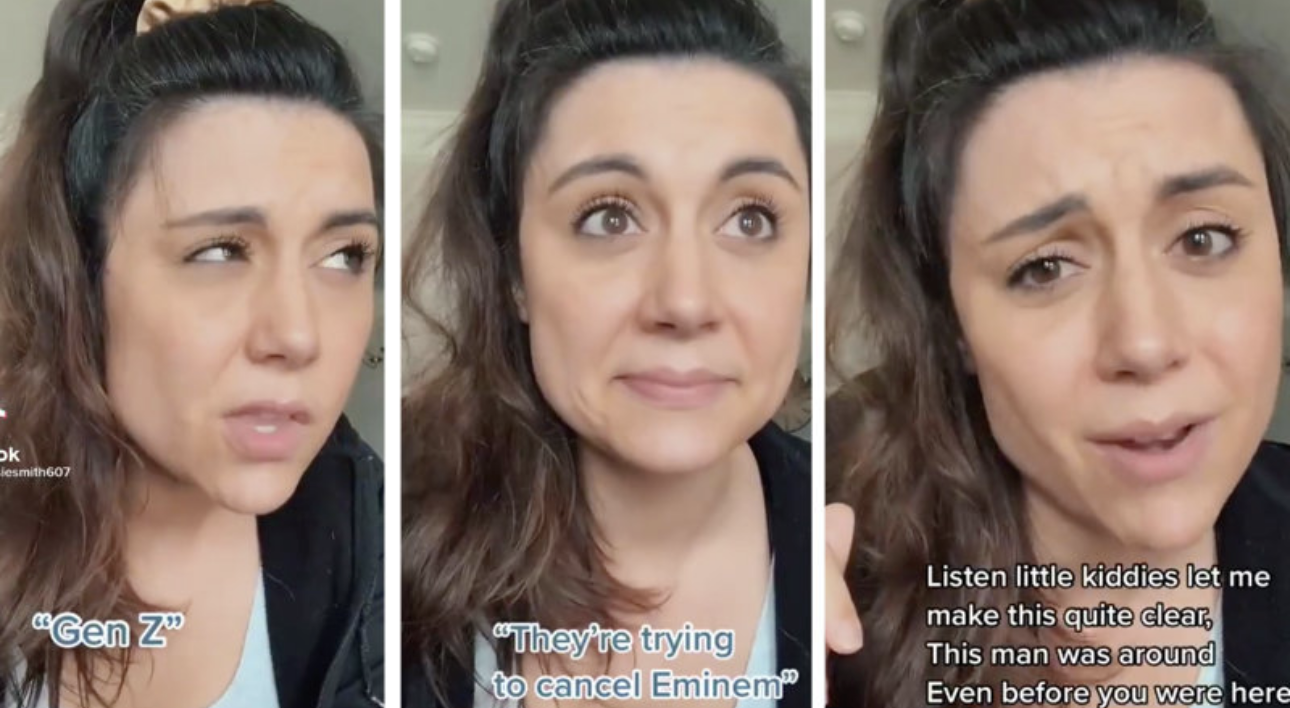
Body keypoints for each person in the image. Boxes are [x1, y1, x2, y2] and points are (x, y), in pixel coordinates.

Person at [823, 0, 1290, 705]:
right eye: (1044, 269)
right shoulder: (825, 626)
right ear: (952, 322)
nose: (1146, 344)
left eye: (1203, 239)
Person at [401, 0, 811, 706]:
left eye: (750, 219)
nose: (686, 301)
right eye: (609, 218)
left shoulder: (886, 563)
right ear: (513, 271)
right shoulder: (382, 547)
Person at [0, 1, 384, 706]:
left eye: (344, 256)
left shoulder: (381, 542)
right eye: (219, 252)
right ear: (79, 276)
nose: (299, 336)